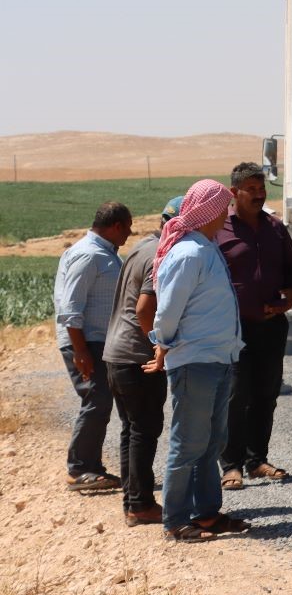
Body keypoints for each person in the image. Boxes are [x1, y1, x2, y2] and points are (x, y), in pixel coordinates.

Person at [147, 179, 248, 542]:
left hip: (218, 358)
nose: (227, 213)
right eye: (223, 207)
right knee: (188, 443)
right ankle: (175, 520)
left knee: (210, 442)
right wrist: (162, 343)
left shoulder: (206, 248)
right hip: (195, 360)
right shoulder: (188, 253)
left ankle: (206, 514)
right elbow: (168, 309)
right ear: (210, 210)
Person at [217, 161, 292, 489]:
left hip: (270, 327)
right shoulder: (219, 230)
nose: (258, 195)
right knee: (236, 395)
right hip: (232, 329)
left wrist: (289, 300)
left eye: (261, 189)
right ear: (233, 192)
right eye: (250, 189)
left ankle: (257, 461)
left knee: (266, 394)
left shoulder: (275, 228)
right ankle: (230, 465)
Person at [103, 196, 183, 526]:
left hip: (116, 353)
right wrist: (159, 345)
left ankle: (132, 502)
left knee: (132, 430)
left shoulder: (142, 246)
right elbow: (144, 309)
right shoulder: (158, 256)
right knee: (145, 431)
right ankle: (140, 505)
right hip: (137, 357)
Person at [54, 201, 133, 493]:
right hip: (84, 341)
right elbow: (70, 307)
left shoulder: (106, 254)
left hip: (99, 340)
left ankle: (93, 468)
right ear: (116, 226)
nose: (129, 233)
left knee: (101, 400)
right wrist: (80, 350)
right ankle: (79, 469)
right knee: (96, 399)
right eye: (128, 227)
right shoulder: (88, 255)